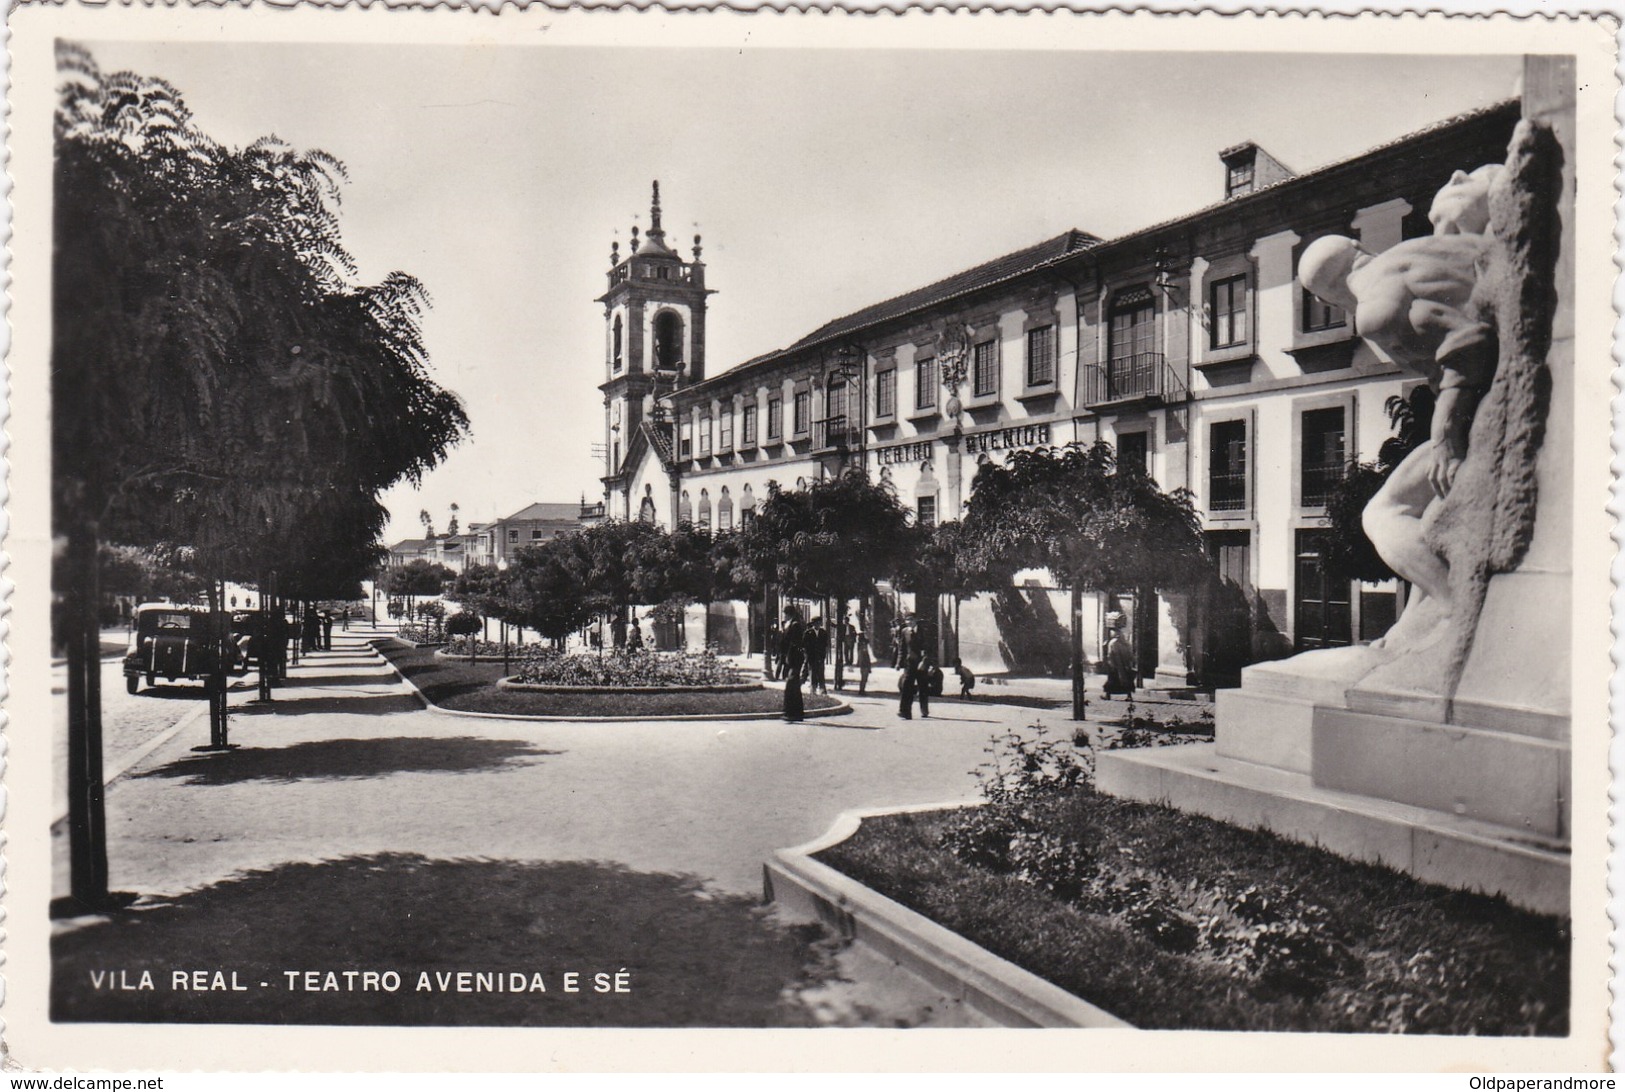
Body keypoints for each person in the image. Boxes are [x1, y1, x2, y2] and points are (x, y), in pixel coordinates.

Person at [779, 607, 807, 722]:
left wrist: (788, 657)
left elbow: (795, 644)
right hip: (790, 659)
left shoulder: (795, 625)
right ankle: (796, 713)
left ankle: (790, 712)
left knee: (791, 684)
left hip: (794, 659)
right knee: (794, 686)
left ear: (788, 614)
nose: (784, 616)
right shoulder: (788, 624)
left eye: (785, 613)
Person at [1103, 618, 1136, 701]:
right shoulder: (1126, 643)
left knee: (1112, 681)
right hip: (1125, 665)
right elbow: (1130, 655)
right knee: (1126, 681)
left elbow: (1110, 655)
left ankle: (1108, 695)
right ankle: (1129, 696)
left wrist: (1110, 663)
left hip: (1115, 665)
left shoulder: (1112, 643)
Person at [806, 617, 829, 695]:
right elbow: (805, 645)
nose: (818, 625)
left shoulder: (823, 633)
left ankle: (822, 689)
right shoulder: (808, 633)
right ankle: (813, 689)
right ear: (813, 624)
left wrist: (823, 655)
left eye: (819, 623)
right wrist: (807, 656)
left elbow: (825, 645)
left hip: (820, 657)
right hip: (811, 657)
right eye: (816, 623)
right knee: (812, 673)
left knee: (821, 673)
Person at [897, 650, 918, 720]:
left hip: (921, 661)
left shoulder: (921, 638)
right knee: (907, 685)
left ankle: (924, 710)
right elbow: (902, 649)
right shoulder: (905, 638)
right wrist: (899, 662)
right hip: (909, 663)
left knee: (923, 686)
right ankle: (905, 711)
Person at [915, 651, 935, 718]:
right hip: (923, 678)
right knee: (923, 696)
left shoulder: (925, 660)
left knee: (922, 695)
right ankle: (924, 711)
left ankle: (924, 711)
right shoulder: (924, 661)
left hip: (922, 678)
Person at [855, 628, 872, 696]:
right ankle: (861, 690)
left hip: (865, 664)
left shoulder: (860, 647)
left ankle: (862, 689)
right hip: (864, 665)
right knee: (864, 678)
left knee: (864, 678)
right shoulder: (862, 649)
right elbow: (864, 658)